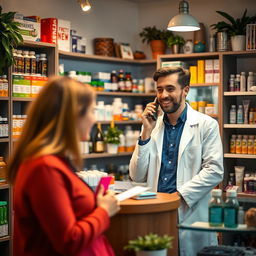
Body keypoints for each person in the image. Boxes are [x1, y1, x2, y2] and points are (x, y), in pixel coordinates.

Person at [7, 77, 120, 256]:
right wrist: (103, 211)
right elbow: (69, 240)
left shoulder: (53, 162)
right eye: (91, 110)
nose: (94, 118)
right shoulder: (44, 168)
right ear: (73, 116)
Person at [129, 67, 224, 256]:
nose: (164, 95)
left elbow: (214, 170)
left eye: (170, 89)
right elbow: (137, 175)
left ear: (185, 91)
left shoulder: (206, 124)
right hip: (156, 213)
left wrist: (178, 196)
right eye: (160, 89)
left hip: (190, 211)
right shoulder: (152, 127)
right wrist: (146, 132)